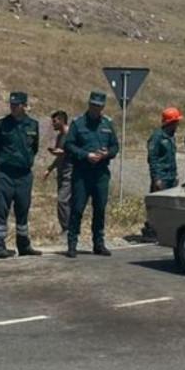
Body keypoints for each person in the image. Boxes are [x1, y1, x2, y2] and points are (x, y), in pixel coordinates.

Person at [64, 91, 119, 258]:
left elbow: (115, 147)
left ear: (103, 107)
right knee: (77, 208)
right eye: (93, 105)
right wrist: (85, 155)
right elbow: (69, 145)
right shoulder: (78, 123)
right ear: (89, 104)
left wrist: (106, 154)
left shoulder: (107, 123)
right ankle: (72, 243)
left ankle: (98, 243)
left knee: (100, 208)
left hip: (101, 173)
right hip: (82, 173)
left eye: (99, 106)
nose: (96, 108)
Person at [0, 91, 42, 258]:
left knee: (23, 209)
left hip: (24, 175)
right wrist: (2, 159)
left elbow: (34, 147)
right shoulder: (1, 124)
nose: (13, 107)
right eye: (11, 104)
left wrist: (26, 160)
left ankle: (23, 245)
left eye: (16, 105)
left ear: (24, 106)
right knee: (0, 208)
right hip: (5, 173)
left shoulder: (33, 125)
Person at [142, 107, 182, 238]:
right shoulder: (157, 137)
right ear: (170, 122)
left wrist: (175, 175)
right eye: (176, 122)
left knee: (169, 205)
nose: (177, 125)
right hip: (161, 176)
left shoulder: (171, 137)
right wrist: (156, 178)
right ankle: (151, 230)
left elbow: (171, 157)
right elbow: (152, 159)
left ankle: (165, 230)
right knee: (157, 205)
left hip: (171, 176)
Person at [42, 110, 72, 234]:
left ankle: (68, 228)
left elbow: (77, 152)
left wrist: (63, 152)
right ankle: (68, 228)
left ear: (61, 120)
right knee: (65, 201)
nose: (53, 124)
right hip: (61, 172)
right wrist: (49, 169)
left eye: (54, 121)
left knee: (62, 200)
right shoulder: (60, 136)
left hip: (71, 173)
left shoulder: (72, 134)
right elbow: (60, 156)